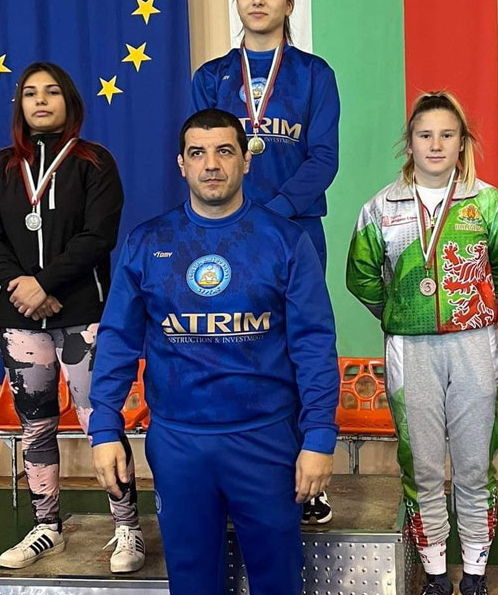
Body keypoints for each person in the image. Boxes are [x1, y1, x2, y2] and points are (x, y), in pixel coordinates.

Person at [88, 108, 339, 594]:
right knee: (192, 582)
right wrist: (104, 428)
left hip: (266, 440)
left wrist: (319, 438)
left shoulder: (285, 241)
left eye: (224, 151)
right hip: (178, 443)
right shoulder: (148, 242)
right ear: (181, 164)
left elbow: (313, 344)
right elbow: (117, 339)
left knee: (278, 582)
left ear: (246, 160)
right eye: (198, 153)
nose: (211, 164)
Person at [0, 62, 144, 572]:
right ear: (19, 105)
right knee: (36, 427)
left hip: (82, 314)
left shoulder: (94, 162)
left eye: (51, 92)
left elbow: (99, 235)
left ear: (70, 101)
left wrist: (45, 284)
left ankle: (127, 526)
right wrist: (23, 287)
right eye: (30, 93)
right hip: (19, 319)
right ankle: (47, 526)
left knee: (99, 421)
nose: (40, 101)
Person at [191, 0, 340, 526]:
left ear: (289, 3)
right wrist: (239, 221)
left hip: (294, 233)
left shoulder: (314, 74)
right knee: (232, 345)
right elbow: (200, 155)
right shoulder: (211, 76)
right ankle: (236, 474)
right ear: (236, 2)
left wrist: (270, 216)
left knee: (301, 348)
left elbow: (323, 159)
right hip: (224, 237)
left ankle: (309, 477)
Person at [346, 91, 498, 595]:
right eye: (425, 135)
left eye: (447, 135)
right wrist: (399, 313)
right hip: (410, 349)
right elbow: (361, 277)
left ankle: (475, 571)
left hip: (476, 345)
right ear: (410, 143)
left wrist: (475, 310)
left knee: (475, 463)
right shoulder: (380, 207)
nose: (436, 144)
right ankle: (436, 572)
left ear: (462, 143)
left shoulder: (490, 202)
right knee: (421, 464)